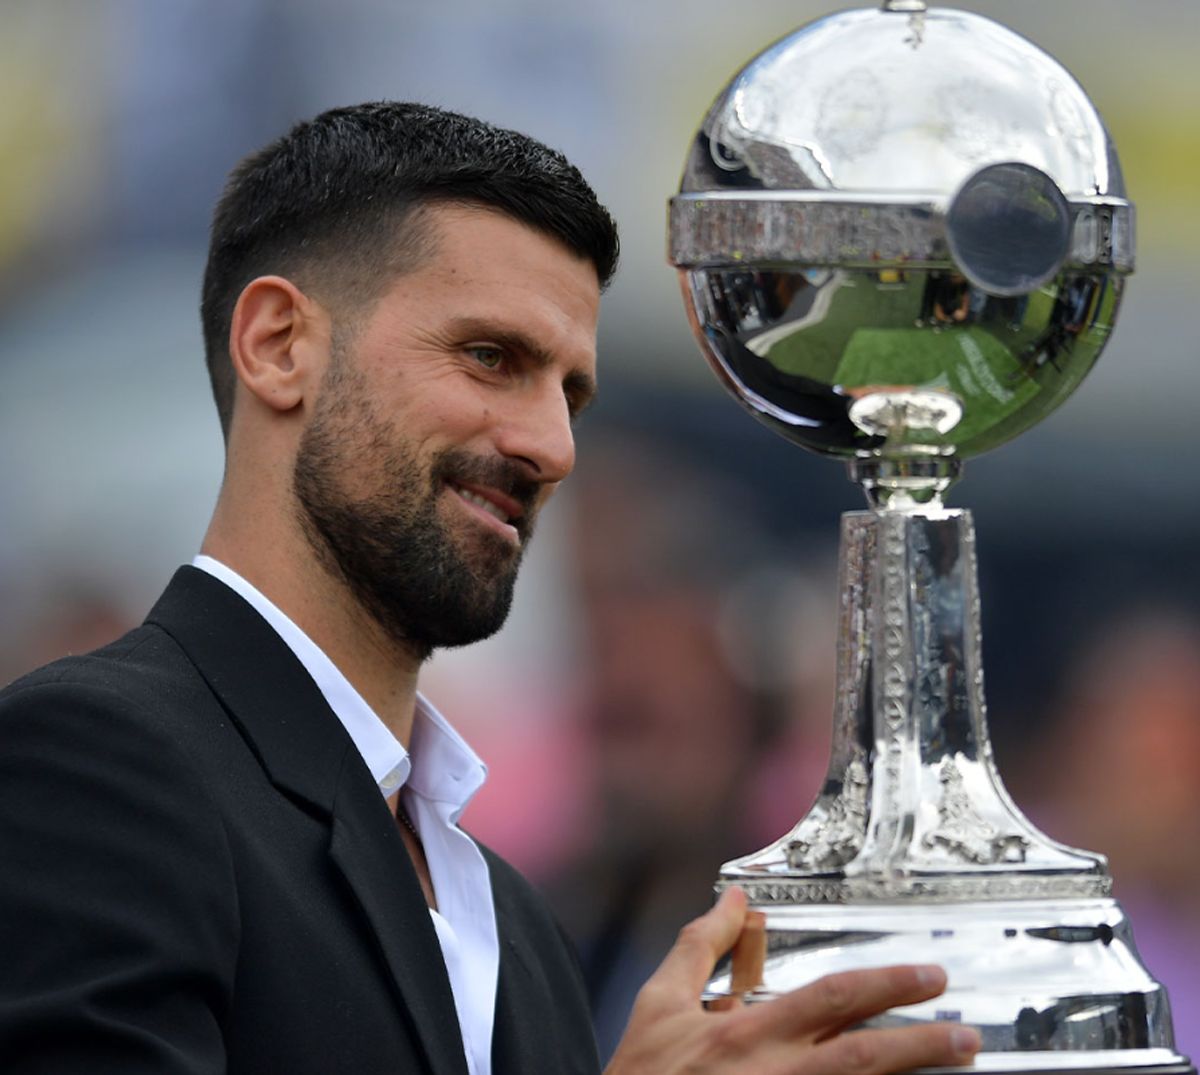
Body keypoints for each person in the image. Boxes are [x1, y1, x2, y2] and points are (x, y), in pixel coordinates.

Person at [0, 102, 982, 1073]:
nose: (552, 447)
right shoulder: (92, 764)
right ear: (277, 345)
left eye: (572, 394)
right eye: (490, 357)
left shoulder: (520, 924)